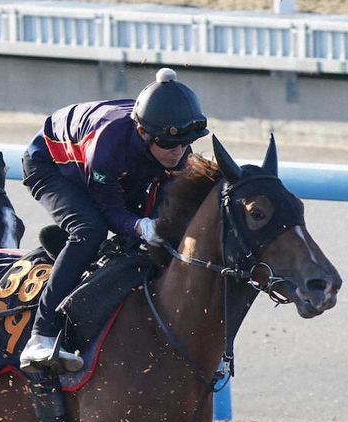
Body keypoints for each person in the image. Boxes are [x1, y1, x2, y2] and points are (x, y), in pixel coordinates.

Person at [18, 67, 209, 372]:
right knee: (89, 229)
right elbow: (109, 209)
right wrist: (139, 226)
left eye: (185, 144)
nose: (178, 153)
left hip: (116, 164)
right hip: (51, 164)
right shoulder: (108, 145)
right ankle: (41, 335)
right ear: (143, 133)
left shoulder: (171, 147)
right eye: (169, 144)